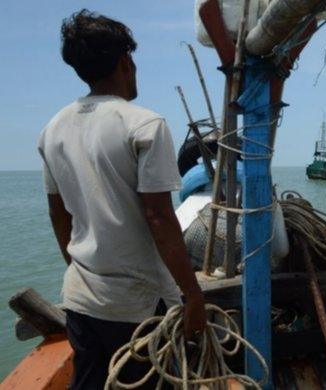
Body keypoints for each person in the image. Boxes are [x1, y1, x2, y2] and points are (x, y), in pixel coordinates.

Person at [37, 9, 207, 389]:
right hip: (137, 307)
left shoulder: (53, 129)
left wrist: (79, 267)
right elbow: (159, 217)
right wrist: (192, 295)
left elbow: (58, 212)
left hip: (80, 299)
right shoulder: (145, 125)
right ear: (126, 61)